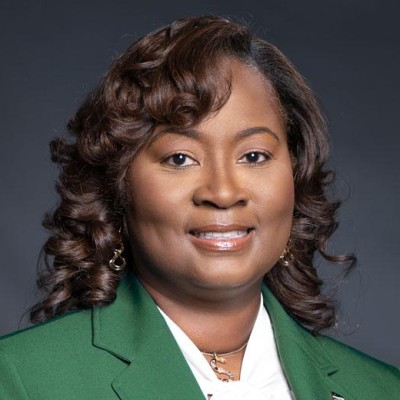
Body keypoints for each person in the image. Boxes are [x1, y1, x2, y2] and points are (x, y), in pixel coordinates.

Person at [0, 15, 399, 400]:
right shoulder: (21, 379)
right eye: (180, 158)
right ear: (116, 187)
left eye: (254, 156)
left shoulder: (382, 390)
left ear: (295, 178)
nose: (223, 192)